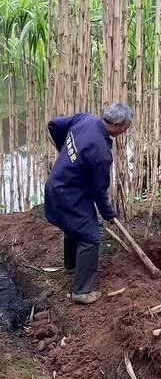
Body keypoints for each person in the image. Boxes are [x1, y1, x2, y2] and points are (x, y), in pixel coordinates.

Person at [45, 103, 132, 304]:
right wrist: (109, 215)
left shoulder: (85, 119)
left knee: (74, 227)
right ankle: (82, 292)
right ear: (117, 125)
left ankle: (72, 266)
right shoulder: (101, 153)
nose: (125, 131)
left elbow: (54, 125)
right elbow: (98, 191)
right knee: (90, 237)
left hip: (57, 185)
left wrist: (65, 154)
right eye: (126, 128)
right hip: (68, 195)